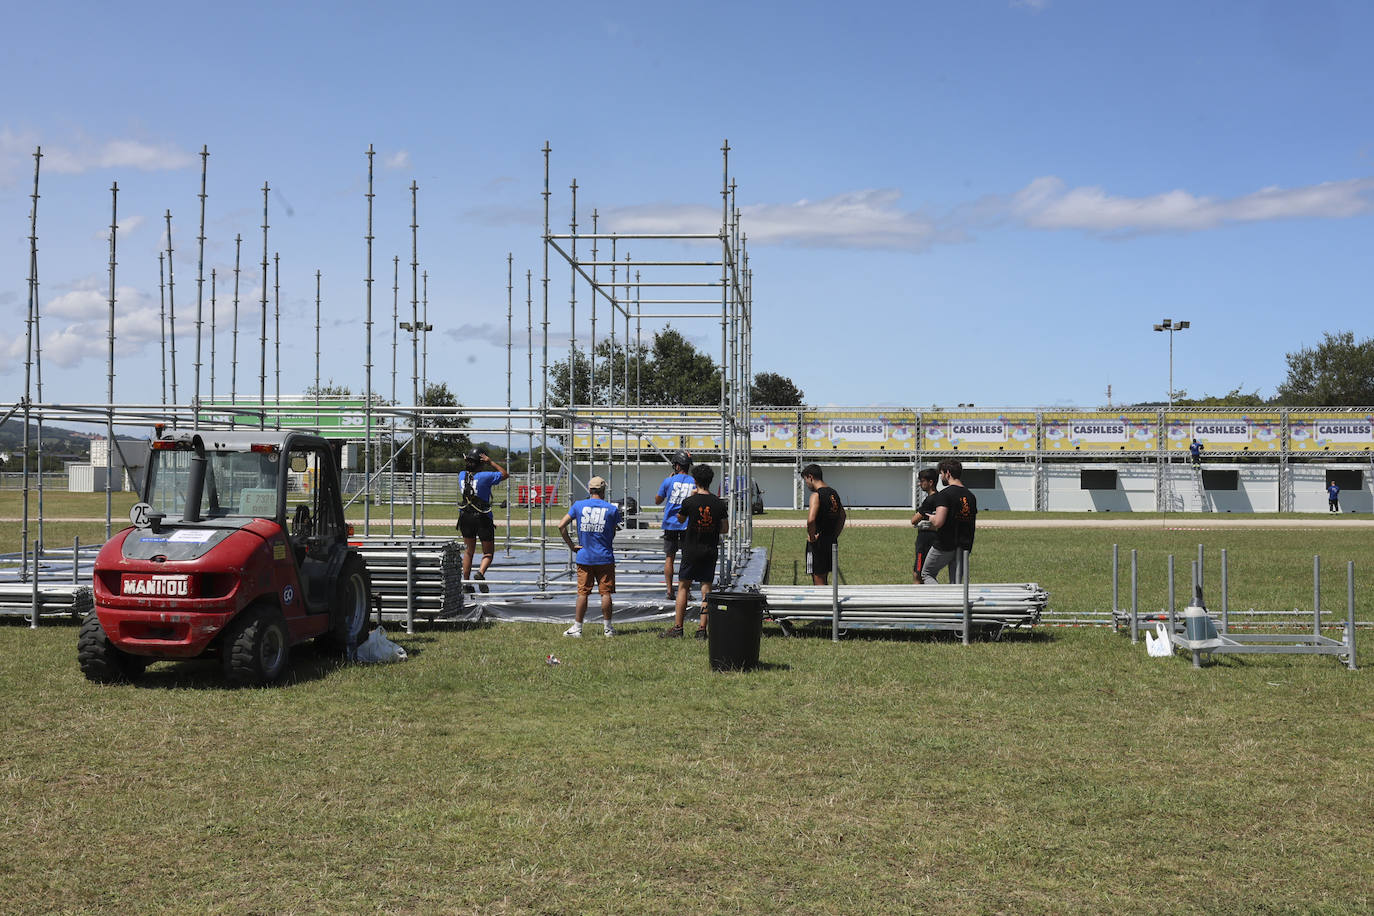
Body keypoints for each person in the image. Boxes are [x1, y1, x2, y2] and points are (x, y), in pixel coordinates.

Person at [660, 463, 728, 640]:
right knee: (706, 589)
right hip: (709, 550)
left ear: (695, 480)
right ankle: (701, 629)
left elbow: (680, 518)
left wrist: (690, 500)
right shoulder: (719, 503)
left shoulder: (689, 502)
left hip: (691, 549)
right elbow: (725, 529)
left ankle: (678, 627)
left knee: (683, 587)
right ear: (711, 481)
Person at [558, 476, 622, 638]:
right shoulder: (611, 509)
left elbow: (561, 525)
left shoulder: (578, 506)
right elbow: (613, 530)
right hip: (605, 556)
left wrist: (572, 545)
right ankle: (608, 629)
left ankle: (577, 628)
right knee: (605, 593)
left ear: (589, 490)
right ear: (603, 491)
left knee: (583, 593)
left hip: (584, 556)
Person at [456, 449, 508, 593]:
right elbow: (505, 474)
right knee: (488, 553)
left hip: (465, 517)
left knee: (468, 552)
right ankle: (480, 573)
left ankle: (466, 583)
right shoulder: (485, 476)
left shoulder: (461, 475)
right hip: (482, 518)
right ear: (481, 463)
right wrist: (490, 461)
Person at [922, 458, 978, 584]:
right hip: (965, 544)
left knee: (927, 574)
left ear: (948, 473)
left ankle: (941, 600)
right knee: (956, 582)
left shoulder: (944, 494)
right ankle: (957, 603)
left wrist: (931, 517)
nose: (941, 477)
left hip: (945, 543)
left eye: (941, 474)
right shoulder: (971, 496)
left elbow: (938, 522)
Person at [654, 450, 695, 600]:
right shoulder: (693, 482)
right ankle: (686, 591)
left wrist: (666, 482)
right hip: (687, 524)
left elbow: (657, 500)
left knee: (669, 558)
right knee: (687, 559)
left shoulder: (668, 481)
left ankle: (670, 591)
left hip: (670, 524)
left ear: (677, 466)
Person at [800, 463, 846, 586]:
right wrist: (834, 535)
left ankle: (822, 604)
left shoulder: (816, 495)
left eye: (806, 481)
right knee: (825, 577)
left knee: (818, 579)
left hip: (818, 544)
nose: (807, 484)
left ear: (810, 477)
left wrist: (812, 537)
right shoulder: (834, 493)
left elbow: (811, 520)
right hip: (830, 541)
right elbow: (842, 516)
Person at [910, 467, 940, 584]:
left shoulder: (929, 500)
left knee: (918, 573)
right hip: (935, 539)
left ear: (931, 482)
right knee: (928, 572)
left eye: (922, 481)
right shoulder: (940, 497)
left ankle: (918, 600)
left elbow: (914, 520)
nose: (920, 484)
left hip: (924, 541)